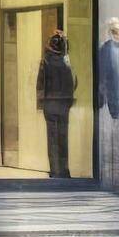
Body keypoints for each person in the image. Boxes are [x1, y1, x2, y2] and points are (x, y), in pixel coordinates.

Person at [38, 29, 78, 179]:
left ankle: (55, 171)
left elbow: (40, 84)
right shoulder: (66, 62)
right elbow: (73, 83)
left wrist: (41, 103)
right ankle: (64, 170)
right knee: (63, 138)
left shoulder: (45, 61)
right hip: (63, 105)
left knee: (52, 139)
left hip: (50, 104)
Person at [97, 17, 119, 182]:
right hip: (113, 101)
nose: (117, 34)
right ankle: (113, 176)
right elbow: (103, 76)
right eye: (113, 31)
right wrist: (103, 97)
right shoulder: (106, 50)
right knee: (113, 138)